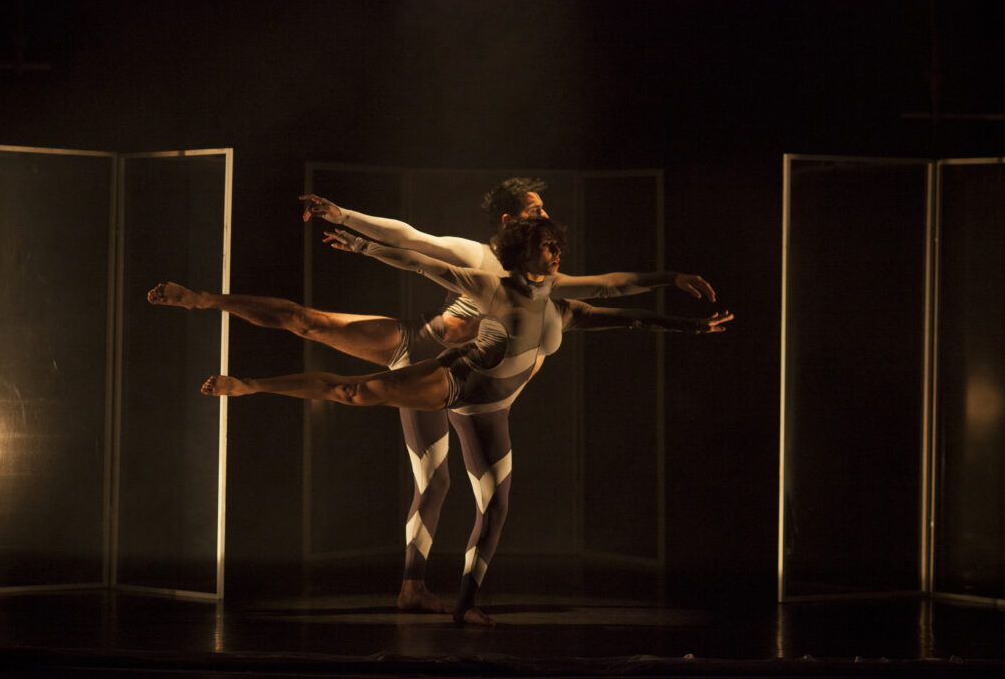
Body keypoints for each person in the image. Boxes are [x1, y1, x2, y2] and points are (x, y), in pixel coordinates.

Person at [151, 178, 719, 617]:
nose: (546, 216)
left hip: (455, 379)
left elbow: (612, 294)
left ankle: (414, 588)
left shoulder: (554, 288)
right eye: (536, 210)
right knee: (312, 323)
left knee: (436, 481)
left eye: (546, 213)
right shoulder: (480, 261)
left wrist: (672, 296)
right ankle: (204, 301)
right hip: (414, 346)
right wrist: (347, 221)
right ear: (511, 220)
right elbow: (411, 243)